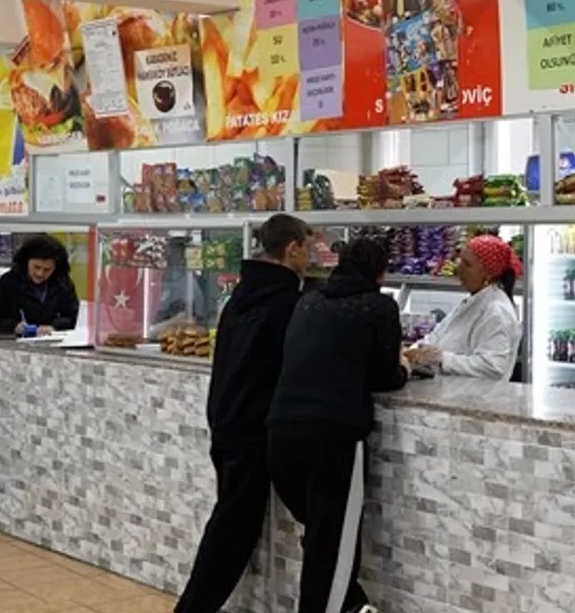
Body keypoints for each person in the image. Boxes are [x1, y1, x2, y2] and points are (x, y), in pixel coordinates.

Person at [175, 214, 313, 613]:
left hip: (225, 417)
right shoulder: (286, 303)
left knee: (231, 520)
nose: (312, 257)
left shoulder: (241, 296)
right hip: (254, 428)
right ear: (292, 248)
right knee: (233, 527)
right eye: (307, 247)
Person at [267, 238, 408, 613]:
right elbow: (385, 376)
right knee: (331, 548)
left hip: (280, 433)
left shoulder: (308, 301)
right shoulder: (378, 305)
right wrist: (406, 367)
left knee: (321, 542)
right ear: (380, 274)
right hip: (332, 437)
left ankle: (353, 605)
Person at [405, 234, 523, 380]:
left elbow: (492, 367)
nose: (459, 268)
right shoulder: (473, 302)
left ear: (487, 273)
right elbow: (437, 336)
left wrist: (442, 359)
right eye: (460, 260)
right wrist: (413, 351)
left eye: (467, 264)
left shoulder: (496, 312)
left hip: (477, 394)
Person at [0, 234, 79, 335]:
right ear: (26, 262)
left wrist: (55, 327)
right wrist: (14, 327)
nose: (40, 273)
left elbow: (73, 317)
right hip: (15, 340)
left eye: (47, 270)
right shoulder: (7, 283)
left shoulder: (63, 284)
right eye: (36, 267)